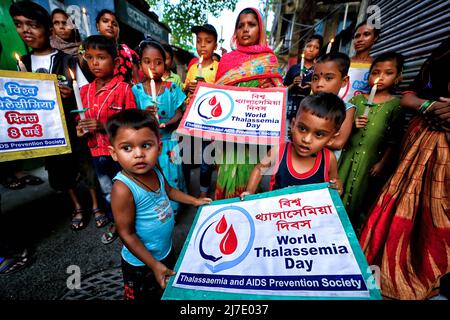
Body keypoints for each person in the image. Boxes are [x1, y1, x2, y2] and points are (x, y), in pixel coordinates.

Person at [359, 37, 450, 300]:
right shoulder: (443, 52)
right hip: (423, 144)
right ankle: (396, 268)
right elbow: (410, 96)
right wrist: (429, 106)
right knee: (411, 210)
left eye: (388, 73)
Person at [9, 1, 100, 231]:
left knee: (86, 164)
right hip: (47, 130)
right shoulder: (23, 64)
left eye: (33, 25)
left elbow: (87, 91)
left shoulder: (66, 60)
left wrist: (72, 93)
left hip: (73, 124)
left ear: (48, 30)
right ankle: (77, 206)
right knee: (59, 169)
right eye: (19, 25)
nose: (26, 31)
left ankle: (97, 204)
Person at [106, 109, 211, 300]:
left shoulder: (155, 169)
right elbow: (126, 234)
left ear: (159, 147)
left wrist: (195, 201)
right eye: (127, 148)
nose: (138, 154)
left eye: (146, 145)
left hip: (165, 250)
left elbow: (169, 191)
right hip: (141, 263)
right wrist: (154, 265)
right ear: (113, 153)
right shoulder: (123, 189)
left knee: (164, 292)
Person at [214, 7, 283, 200]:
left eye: (251, 25)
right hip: (227, 132)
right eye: (240, 26)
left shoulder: (268, 59)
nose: (245, 30)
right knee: (225, 173)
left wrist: (267, 90)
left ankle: (244, 219)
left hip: (254, 132)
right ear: (235, 31)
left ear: (260, 29)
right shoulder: (227, 60)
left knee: (248, 176)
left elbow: (277, 95)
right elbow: (217, 94)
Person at [77, 35, 137, 243]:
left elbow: (130, 124)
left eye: (101, 57)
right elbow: (80, 119)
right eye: (90, 57)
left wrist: (102, 126)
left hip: (119, 155)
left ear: (116, 62)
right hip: (96, 152)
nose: (94, 63)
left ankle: (133, 224)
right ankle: (117, 223)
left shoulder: (124, 89)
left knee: (127, 189)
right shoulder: (84, 92)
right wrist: (81, 129)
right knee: (108, 192)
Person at [338, 52, 405, 227]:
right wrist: (353, 125)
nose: (380, 78)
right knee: (339, 189)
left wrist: (382, 163)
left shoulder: (396, 105)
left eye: (388, 73)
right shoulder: (357, 100)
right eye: (375, 73)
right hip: (348, 157)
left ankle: (354, 229)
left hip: (371, 161)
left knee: (362, 195)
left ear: (398, 77)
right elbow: (341, 130)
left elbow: (394, 139)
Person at [241, 93, 345, 199]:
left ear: (331, 139)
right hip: (276, 211)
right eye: (302, 129)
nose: (306, 139)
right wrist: (250, 192)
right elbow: (259, 169)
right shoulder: (279, 150)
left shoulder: (329, 159)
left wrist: (338, 188)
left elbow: (334, 182)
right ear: (293, 125)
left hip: (309, 213)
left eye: (319, 134)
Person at [131, 40, 186, 215]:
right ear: (140, 64)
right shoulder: (136, 91)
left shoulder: (172, 88)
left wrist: (167, 123)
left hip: (169, 142)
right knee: (151, 178)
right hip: (146, 144)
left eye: (158, 62)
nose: (153, 67)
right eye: (147, 62)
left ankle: (174, 212)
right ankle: (155, 212)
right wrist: (144, 115)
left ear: (166, 64)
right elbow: (132, 121)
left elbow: (179, 113)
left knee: (172, 177)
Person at [182, 23, 220, 198]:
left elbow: (222, 92)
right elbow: (184, 89)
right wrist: (187, 88)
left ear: (215, 45)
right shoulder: (191, 68)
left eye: (208, 41)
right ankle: (184, 190)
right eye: (199, 41)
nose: (202, 45)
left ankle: (203, 192)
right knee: (186, 157)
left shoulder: (218, 68)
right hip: (190, 118)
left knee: (206, 159)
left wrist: (206, 86)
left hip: (209, 122)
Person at [311, 52, 356, 160]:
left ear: (344, 81)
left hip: (326, 166)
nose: (319, 84)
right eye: (315, 78)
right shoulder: (307, 105)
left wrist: (303, 138)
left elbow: (338, 143)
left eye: (328, 78)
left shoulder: (347, 109)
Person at [284, 34, 323, 121]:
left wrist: (312, 86)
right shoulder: (294, 68)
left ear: (319, 52)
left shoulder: (319, 70)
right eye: (309, 46)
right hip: (291, 108)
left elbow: (323, 90)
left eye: (316, 47)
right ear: (303, 49)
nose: (311, 50)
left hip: (311, 109)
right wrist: (293, 84)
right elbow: (283, 90)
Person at [340, 20, 381, 102]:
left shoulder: (376, 66)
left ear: (375, 38)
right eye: (357, 36)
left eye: (366, 34)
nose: (360, 39)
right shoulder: (344, 62)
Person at [95, 9, 139, 84]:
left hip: (127, 94)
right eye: (105, 21)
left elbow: (137, 80)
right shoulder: (88, 49)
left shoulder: (128, 52)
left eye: (115, 24)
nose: (110, 25)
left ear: (119, 30)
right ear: (97, 26)